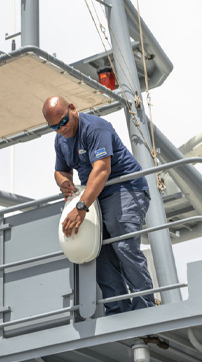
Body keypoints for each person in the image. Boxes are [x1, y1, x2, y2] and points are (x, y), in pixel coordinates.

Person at [42, 95, 155, 315]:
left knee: (123, 245)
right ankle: (117, 310)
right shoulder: (61, 140)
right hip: (97, 195)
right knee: (98, 251)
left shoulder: (95, 128)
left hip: (124, 188)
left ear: (73, 108)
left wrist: (81, 207)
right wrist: (63, 181)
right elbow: (60, 169)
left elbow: (102, 170)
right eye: (54, 127)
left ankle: (145, 307)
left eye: (63, 122)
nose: (61, 129)